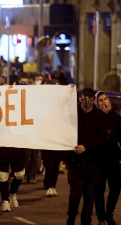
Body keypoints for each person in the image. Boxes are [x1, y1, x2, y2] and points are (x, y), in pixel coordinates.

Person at [66, 88, 104, 225]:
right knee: (75, 194)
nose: (87, 99)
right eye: (84, 96)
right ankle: (70, 219)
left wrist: (86, 146)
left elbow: (101, 137)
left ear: (93, 100)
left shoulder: (99, 115)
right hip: (74, 162)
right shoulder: (72, 114)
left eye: (90, 97)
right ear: (80, 97)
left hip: (92, 163)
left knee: (89, 197)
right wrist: (68, 91)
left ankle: (85, 222)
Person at [94, 91, 121, 225]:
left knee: (115, 188)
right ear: (97, 103)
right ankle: (100, 218)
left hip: (113, 158)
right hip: (98, 159)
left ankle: (109, 213)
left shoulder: (116, 117)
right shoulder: (95, 118)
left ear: (109, 101)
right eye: (100, 100)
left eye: (105, 99)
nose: (104, 102)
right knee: (99, 190)